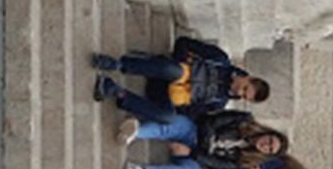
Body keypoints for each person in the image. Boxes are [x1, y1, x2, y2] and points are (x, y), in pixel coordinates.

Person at [92, 36, 269, 121]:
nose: (239, 92)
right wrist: (183, 64)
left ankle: (116, 91)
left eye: (244, 96)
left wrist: (182, 101)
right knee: (175, 71)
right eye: (245, 88)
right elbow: (183, 42)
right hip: (167, 70)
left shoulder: (219, 102)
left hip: (169, 94)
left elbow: (191, 112)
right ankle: (117, 65)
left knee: (168, 117)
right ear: (248, 77)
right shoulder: (220, 60)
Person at [117, 111, 289, 169]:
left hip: (196, 156)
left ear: (266, 154)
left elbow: (217, 164)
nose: (266, 145)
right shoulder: (244, 119)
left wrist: (191, 152)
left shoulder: (244, 161)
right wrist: (202, 144)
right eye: (269, 140)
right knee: (178, 124)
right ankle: (135, 132)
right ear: (267, 133)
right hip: (195, 132)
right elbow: (212, 121)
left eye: (269, 149)